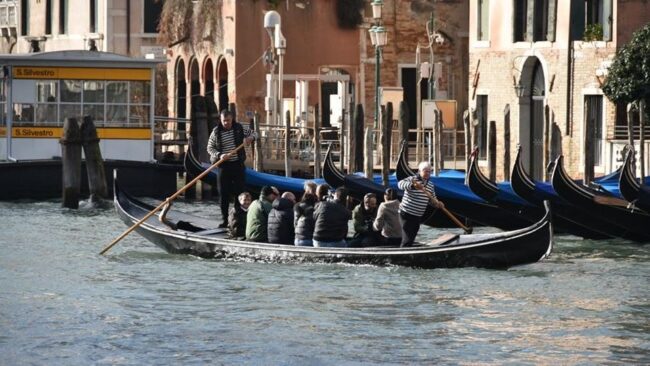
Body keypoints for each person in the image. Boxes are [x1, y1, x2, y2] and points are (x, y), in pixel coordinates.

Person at [207, 109, 255, 228]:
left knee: (240, 193)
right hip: (224, 166)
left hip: (238, 165)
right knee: (224, 194)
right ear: (221, 120)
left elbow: (255, 134)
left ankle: (239, 219)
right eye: (224, 121)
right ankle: (225, 220)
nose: (226, 123)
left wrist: (250, 138)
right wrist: (220, 155)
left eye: (228, 121)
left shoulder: (239, 128)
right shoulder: (216, 131)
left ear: (232, 119)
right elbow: (209, 148)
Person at [397, 161, 444, 247]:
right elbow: (400, 184)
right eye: (425, 171)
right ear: (419, 171)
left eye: (429, 171)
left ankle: (408, 254)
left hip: (417, 215)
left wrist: (438, 204)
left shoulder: (430, 185)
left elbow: (432, 199)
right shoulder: (412, 179)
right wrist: (412, 186)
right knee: (408, 238)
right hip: (406, 213)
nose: (427, 173)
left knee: (412, 237)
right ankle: (403, 257)